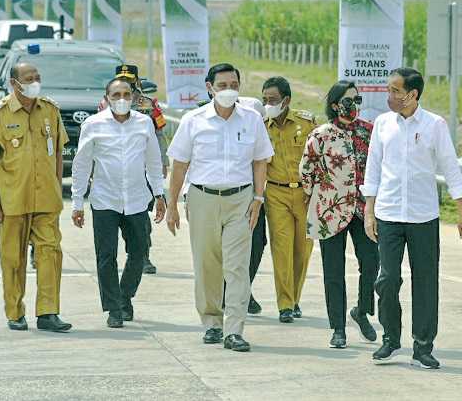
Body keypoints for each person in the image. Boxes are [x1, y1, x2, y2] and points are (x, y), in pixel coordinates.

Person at [362, 67, 462, 369]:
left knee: (425, 282)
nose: (390, 96)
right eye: (389, 90)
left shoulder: (435, 124)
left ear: (412, 95)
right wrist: (369, 210)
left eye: (395, 91)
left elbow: (451, 168)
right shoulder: (383, 124)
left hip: (424, 217)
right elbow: (373, 168)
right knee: (387, 279)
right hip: (388, 214)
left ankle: (423, 346)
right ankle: (390, 338)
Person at [166, 62, 273, 352]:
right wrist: (172, 204)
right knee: (207, 264)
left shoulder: (251, 119)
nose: (229, 91)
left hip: (241, 199)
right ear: (210, 88)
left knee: (237, 267)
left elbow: (261, 160)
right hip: (202, 198)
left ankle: (234, 330)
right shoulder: (193, 120)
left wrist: (258, 199)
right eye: (223, 86)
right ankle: (211, 322)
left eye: (234, 85)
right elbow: (179, 165)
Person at [0, 61, 72, 333]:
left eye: (37, 76)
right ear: (14, 84)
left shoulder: (50, 110)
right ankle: (15, 312)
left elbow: (58, 154)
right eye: (28, 78)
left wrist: (56, 187)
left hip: (46, 200)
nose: (34, 81)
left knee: (50, 254)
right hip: (12, 201)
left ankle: (48, 312)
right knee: (13, 259)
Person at [71, 78, 167, 328]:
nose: (121, 99)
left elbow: (154, 162)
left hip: (136, 199)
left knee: (139, 252)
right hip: (105, 199)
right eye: (116, 95)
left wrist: (159, 194)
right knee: (106, 256)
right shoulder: (93, 125)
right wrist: (77, 202)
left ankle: (125, 296)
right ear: (106, 98)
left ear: (134, 97)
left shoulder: (144, 123)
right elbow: (82, 165)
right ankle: (114, 308)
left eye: (126, 94)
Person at [299, 80, 378, 349]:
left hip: (362, 210)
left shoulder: (370, 131)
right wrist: (315, 195)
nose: (354, 105)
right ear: (335, 105)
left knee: (371, 263)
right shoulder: (321, 135)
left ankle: (362, 310)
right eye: (348, 100)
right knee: (333, 271)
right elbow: (306, 169)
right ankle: (338, 328)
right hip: (330, 209)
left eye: (357, 100)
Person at [98, 64, 170, 275]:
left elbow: (159, 135)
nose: (126, 84)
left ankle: (142, 255)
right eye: (122, 79)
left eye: (130, 80)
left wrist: (163, 161)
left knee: (140, 214)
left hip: (142, 167)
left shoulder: (148, 105)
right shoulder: (104, 104)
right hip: (113, 168)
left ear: (137, 82)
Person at [262, 76, 316, 323]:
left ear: (286, 100)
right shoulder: (262, 126)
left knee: (303, 249)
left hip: (305, 193)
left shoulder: (306, 123)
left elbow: (318, 157)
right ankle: (285, 304)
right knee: (281, 249)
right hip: (276, 193)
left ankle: (295, 298)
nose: (268, 104)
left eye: (272, 100)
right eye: (265, 99)